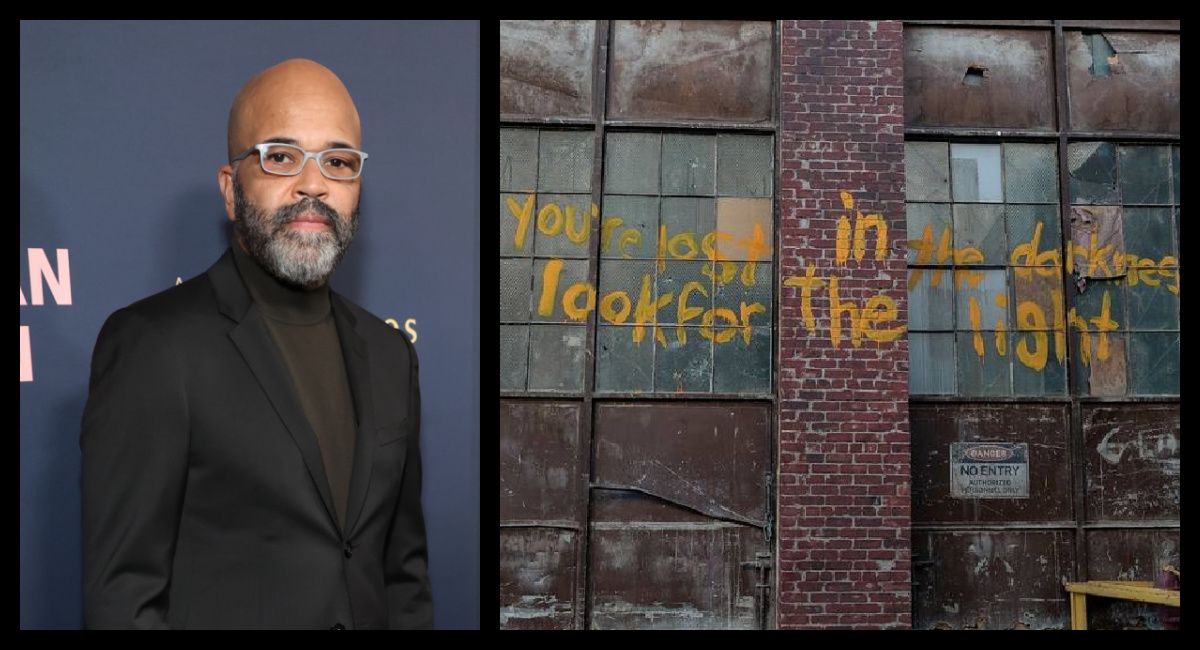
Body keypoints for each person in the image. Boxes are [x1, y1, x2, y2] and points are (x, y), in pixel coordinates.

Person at [80, 58, 433, 629]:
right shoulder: (154, 346)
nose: (314, 184)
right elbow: (123, 597)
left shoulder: (392, 355)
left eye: (338, 161)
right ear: (230, 188)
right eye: (281, 157)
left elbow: (404, 577)